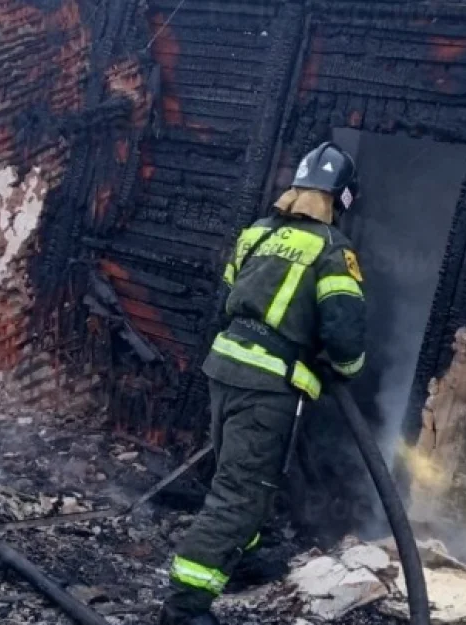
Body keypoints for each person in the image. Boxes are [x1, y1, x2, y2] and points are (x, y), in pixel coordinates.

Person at [158, 142, 368, 625]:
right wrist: (346, 370)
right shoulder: (333, 250)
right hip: (266, 385)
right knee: (239, 492)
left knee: (238, 474)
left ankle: (239, 556)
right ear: (341, 200)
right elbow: (343, 331)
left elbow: (231, 295)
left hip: (225, 369)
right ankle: (185, 606)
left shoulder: (256, 233)